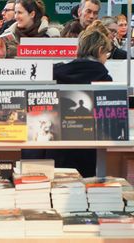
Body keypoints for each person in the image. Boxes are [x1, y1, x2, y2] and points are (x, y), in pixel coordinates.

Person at [47, 25, 113, 177]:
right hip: (89, 144)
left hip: (56, 143)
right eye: (106, 54)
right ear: (99, 50)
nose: (106, 59)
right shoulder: (104, 79)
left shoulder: (55, 73)